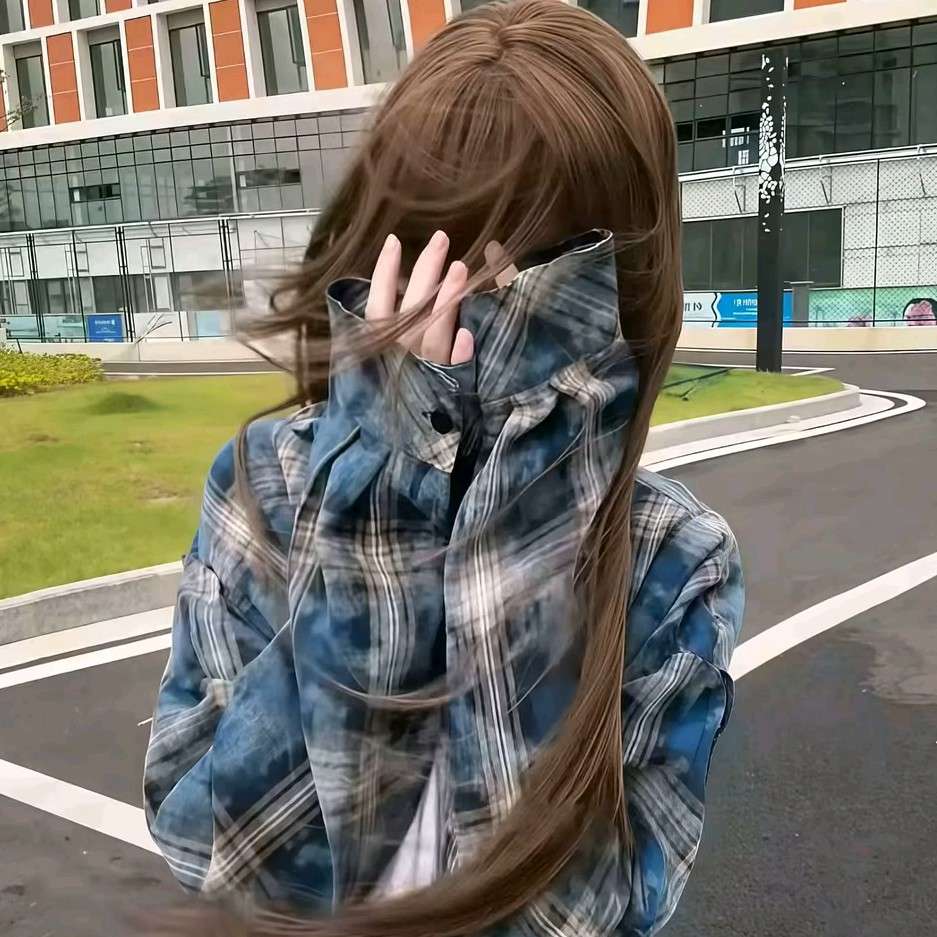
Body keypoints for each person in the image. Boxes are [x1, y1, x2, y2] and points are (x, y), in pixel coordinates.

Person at [143, 2, 744, 935]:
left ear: (613, 287)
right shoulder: (270, 482)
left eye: (529, 275)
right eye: (438, 256)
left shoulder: (672, 556)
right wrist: (381, 510)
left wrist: (529, 492)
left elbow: (585, 917)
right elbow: (214, 852)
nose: (466, 313)